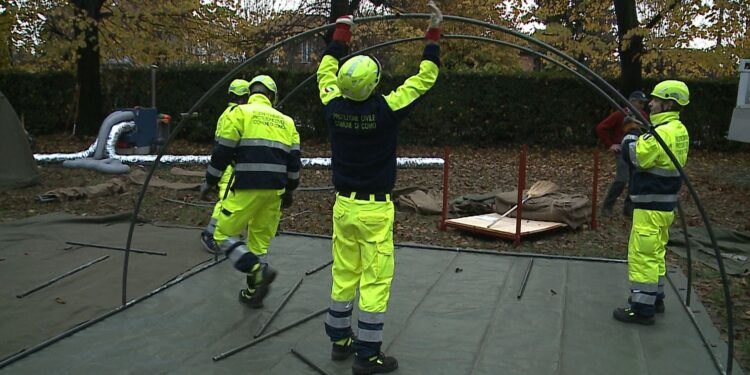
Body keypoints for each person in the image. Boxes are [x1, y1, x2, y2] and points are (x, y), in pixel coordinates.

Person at [316, 2, 442, 374]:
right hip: (374, 210)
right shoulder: (386, 110)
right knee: (374, 280)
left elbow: (324, 69)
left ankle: (340, 340)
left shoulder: (332, 105)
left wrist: (342, 30)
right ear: (374, 84)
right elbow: (425, 78)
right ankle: (367, 354)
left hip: (343, 207)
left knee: (343, 273)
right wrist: (432, 35)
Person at [200, 74, 301, 308]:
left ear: (250, 93)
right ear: (272, 96)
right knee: (258, 243)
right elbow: (294, 164)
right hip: (275, 191)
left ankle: (257, 270)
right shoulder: (287, 122)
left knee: (222, 235)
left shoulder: (240, 114)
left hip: (245, 187)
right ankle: (253, 293)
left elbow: (222, 153)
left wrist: (210, 182)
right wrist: (289, 191)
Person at [613, 80, 690, 325]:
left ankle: (641, 309)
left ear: (668, 103)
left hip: (650, 205)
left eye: (656, 100)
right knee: (656, 253)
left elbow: (639, 157)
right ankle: (656, 298)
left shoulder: (663, 132)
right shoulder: (678, 129)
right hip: (665, 205)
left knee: (642, 255)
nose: (651, 104)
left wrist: (629, 137)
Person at [200, 79, 250, 254]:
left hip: (228, 165)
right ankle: (210, 233)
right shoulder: (236, 113)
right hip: (230, 166)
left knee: (232, 200)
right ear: (245, 96)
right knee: (226, 200)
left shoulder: (227, 113)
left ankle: (227, 231)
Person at [596, 90, 649, 217]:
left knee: (635, 180)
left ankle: (629, 209)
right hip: (623, 151)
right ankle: (607, 207)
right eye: (640, 102)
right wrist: (610, 144)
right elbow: (601, 127)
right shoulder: (620, 114)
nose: (642, 105)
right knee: (622, 179)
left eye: (643, 103)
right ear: (632, 102)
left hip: (637, 150)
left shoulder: (643, 115)